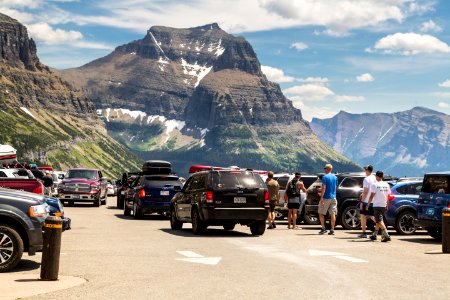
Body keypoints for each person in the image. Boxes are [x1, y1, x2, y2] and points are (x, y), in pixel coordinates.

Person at [367, 171, 391, 242]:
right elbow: (388, 196)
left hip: (377, 205)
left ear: (376, 176)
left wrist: (368, 204)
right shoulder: (386, 184)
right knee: (379, 220)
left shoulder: (375, 185)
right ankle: (374, 235)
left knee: (379, 220)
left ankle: (386, 234)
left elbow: (371, 196)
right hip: (384, 204)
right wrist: (387, 204)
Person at [318, 164, 338, 235]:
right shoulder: (335, 177)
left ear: (328, 169)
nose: (324, 170)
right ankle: (332, 230)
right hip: (333, 197)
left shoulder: (325, 177)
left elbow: (324, 188)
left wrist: (321, 198)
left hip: (326, 197)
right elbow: (335, 187)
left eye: (325, 168)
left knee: (321, 213)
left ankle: (323, 228)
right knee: (333, 213)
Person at [359, 165, 376, 238]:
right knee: (373, 217)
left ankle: (364, 233)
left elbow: (365, 192)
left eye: (365, 169)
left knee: (363, 216)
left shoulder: (366, 179)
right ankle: (380, 230)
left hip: (366, 201)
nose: (364, 171)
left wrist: (362, 202)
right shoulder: (375, 178)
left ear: (367, 170)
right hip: (374, 201)